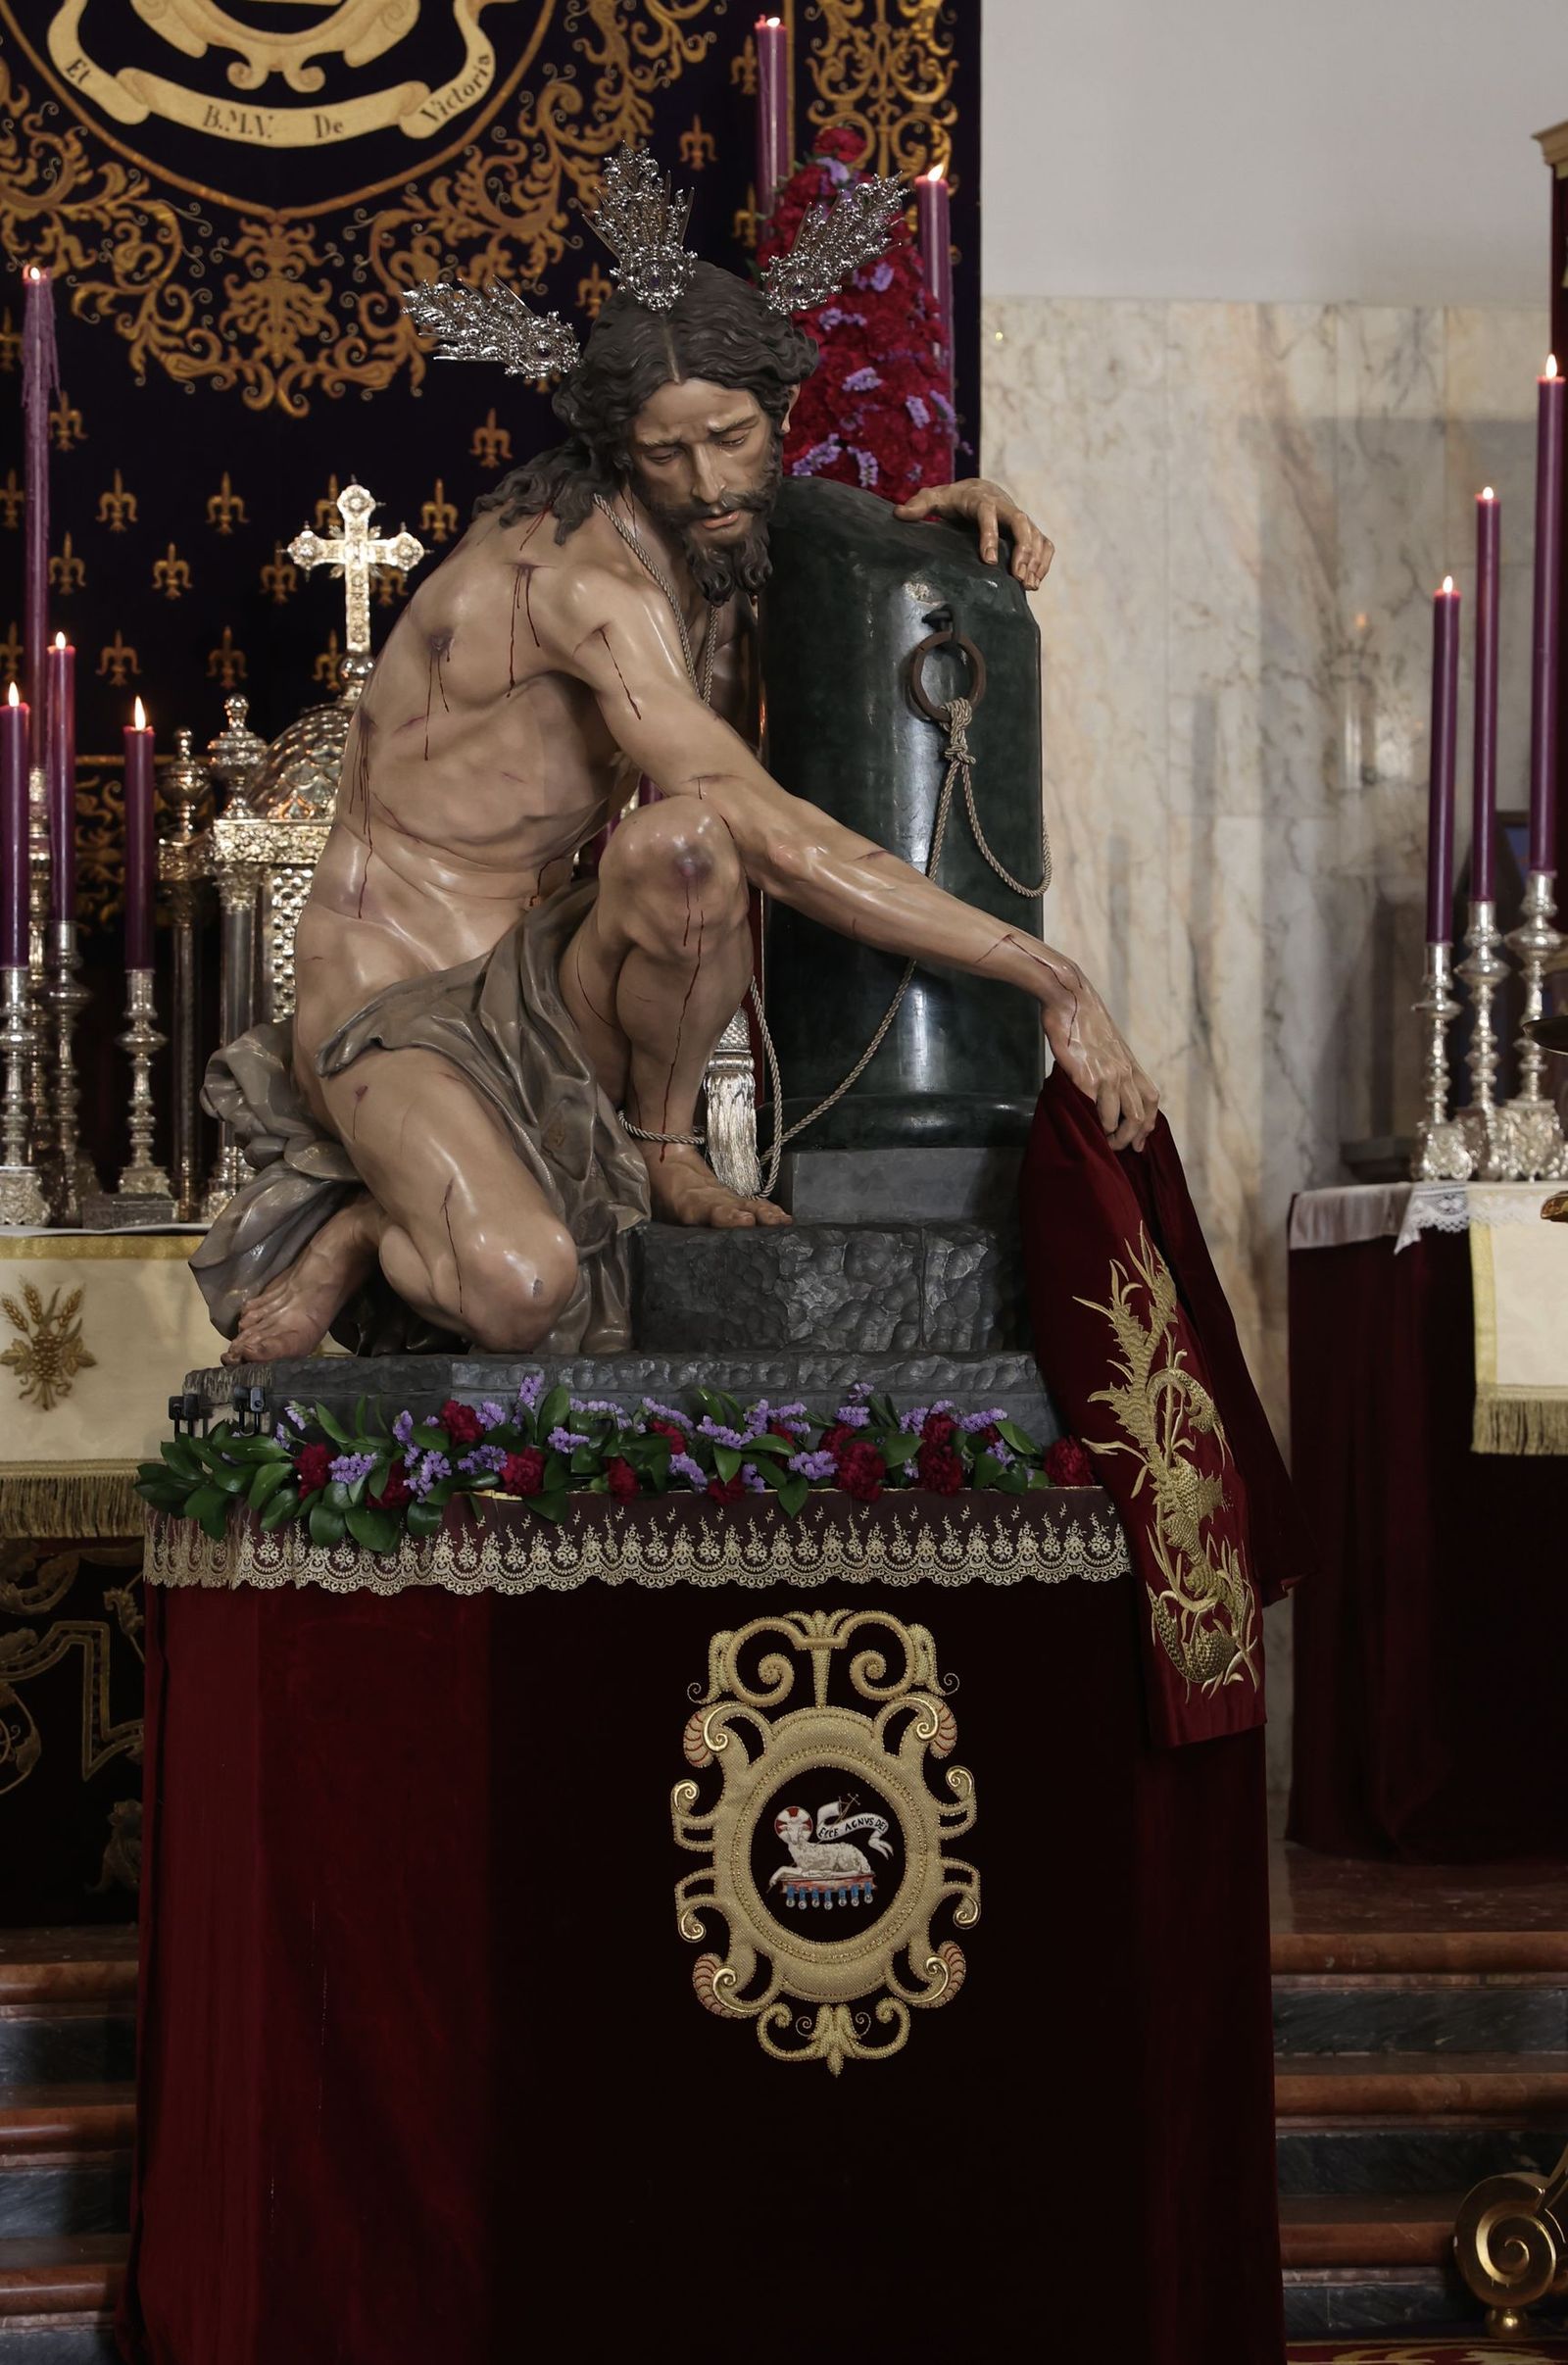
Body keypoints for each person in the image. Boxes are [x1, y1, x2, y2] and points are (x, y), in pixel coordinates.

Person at [193, 155, 1157, 1366]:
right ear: (614, 453)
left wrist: (938, 529)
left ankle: (662, 1148)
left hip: (542, 982)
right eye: (665, 454)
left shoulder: (707, 543)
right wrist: (1051, 977)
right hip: (395, 999)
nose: (708, 482)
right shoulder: (575, 586)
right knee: (518, 1290)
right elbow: (774, 830)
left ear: (779, 418)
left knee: (685, 849)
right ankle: (359, 1216)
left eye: (732, 439)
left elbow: (800, 581)